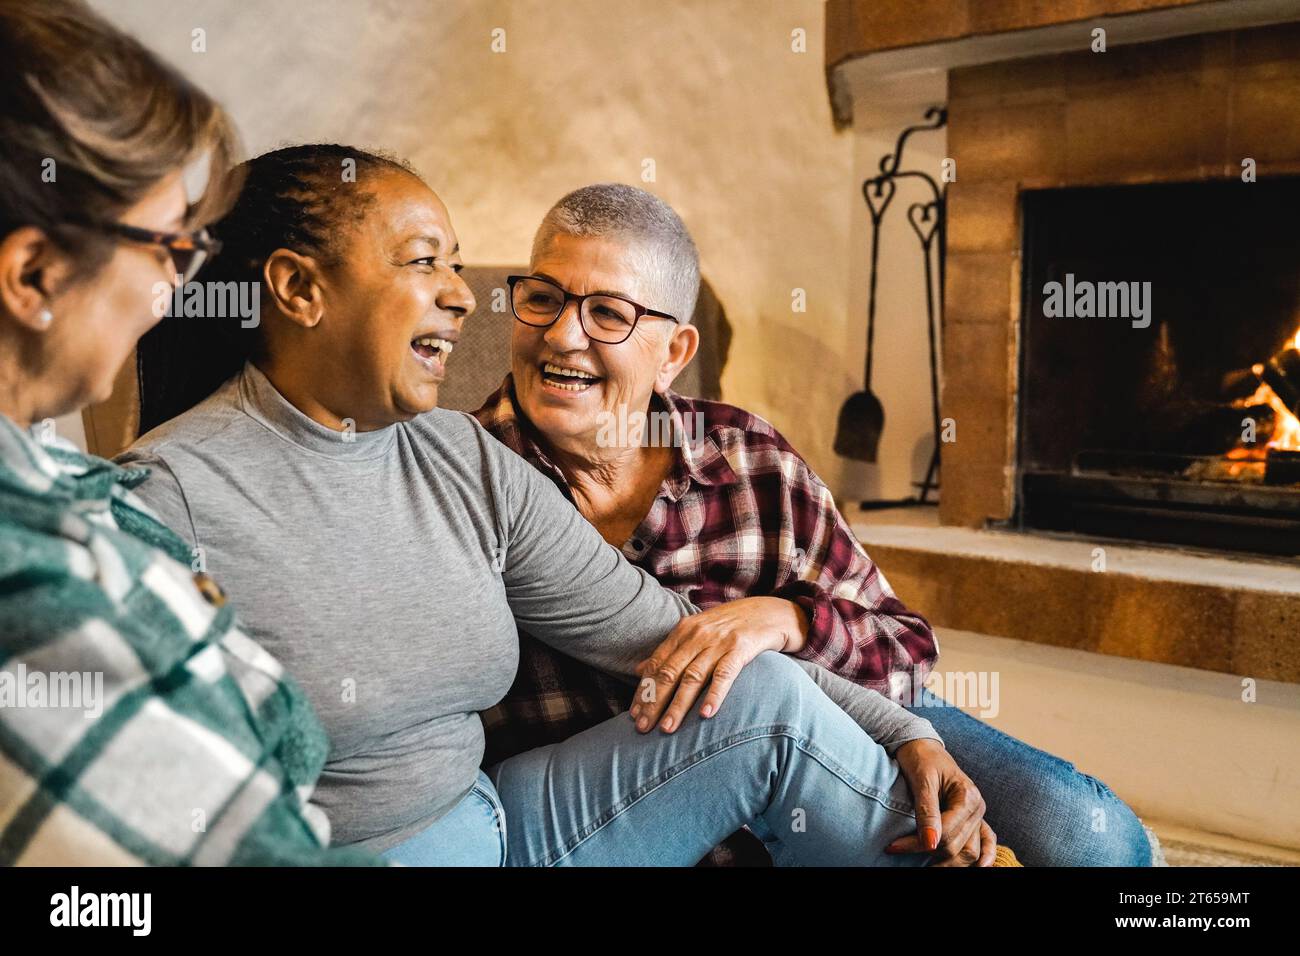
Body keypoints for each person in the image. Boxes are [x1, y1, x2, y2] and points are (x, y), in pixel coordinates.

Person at [123, 145, 995, 866]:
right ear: (299, 289)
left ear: (673, 352)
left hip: (509, 829)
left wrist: (904, 734)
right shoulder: (168, 497)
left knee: (777, 705)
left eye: (458, 266)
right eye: (424, 261)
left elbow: (670, 634)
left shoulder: (457, 459)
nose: (464, 294)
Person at [472, 182, 1154, 867]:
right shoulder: (463, 475)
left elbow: (906, 651)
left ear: (674, 352)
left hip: (846, 709)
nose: (562, 335)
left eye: (607, 313)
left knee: (1089, 835)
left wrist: (792, 623)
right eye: (541, 299)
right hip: (643, 790)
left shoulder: (747, 455)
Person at [0, 0, 374, 865]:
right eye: (169, 251)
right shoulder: (33, 587)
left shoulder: (60, 480)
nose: (174, 294)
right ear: (33, 272)